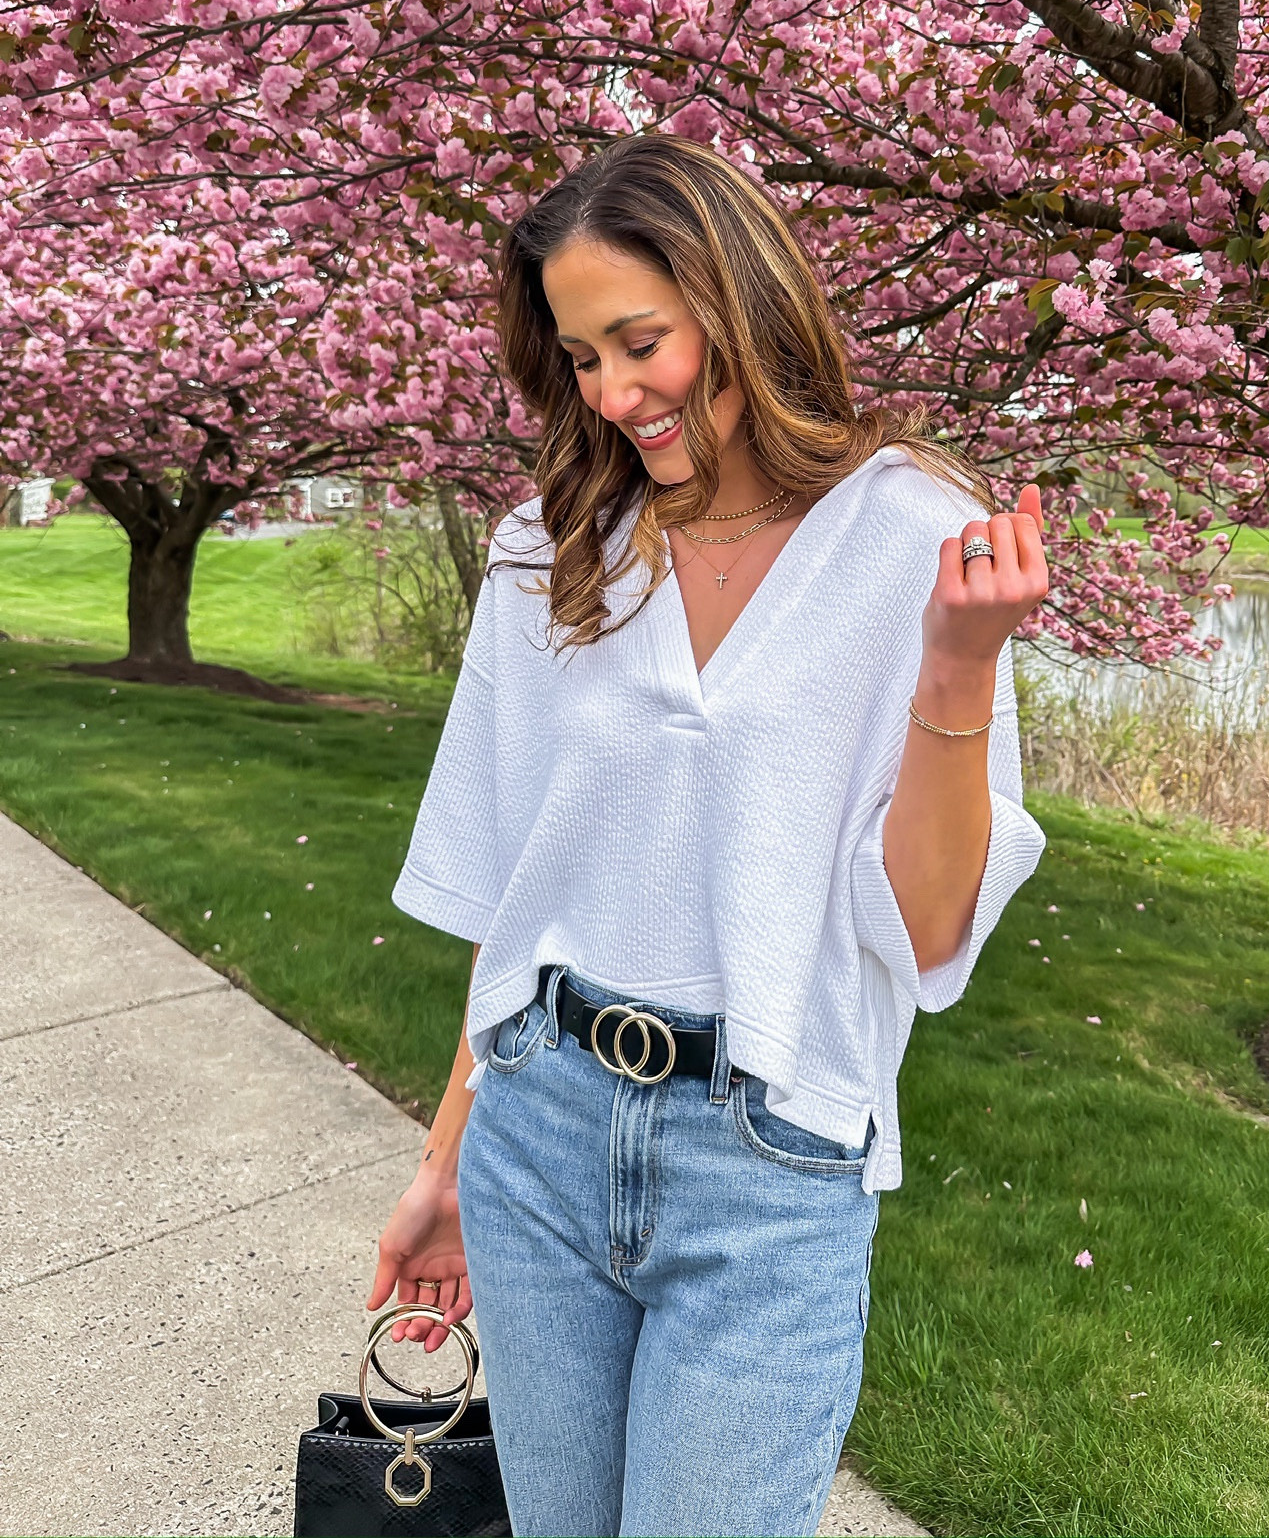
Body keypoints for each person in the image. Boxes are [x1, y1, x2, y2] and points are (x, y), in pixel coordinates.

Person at [366, 135, 1049, 1538]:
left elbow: (922, 934)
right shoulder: (551, 545)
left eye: (641, 342)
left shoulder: (916, 533)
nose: (614, 394)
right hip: (539, 1128)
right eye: (580, 358)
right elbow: (523, 896)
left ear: (739, 303)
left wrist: (960, 668)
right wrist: (445, 1162)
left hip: (770, 1164)